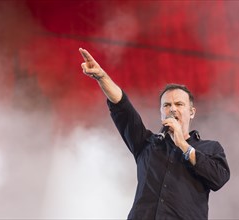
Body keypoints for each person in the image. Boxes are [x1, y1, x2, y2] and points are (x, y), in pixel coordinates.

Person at [79, 48, 230, 220]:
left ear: (192, 112)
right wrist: (102, 77)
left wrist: (184, 145)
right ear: (161, 112)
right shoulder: (146, 144)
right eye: (166, 105)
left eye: (179, 104)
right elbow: (123, 108)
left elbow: (219, 178)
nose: (172, 109)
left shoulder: (210, 148)